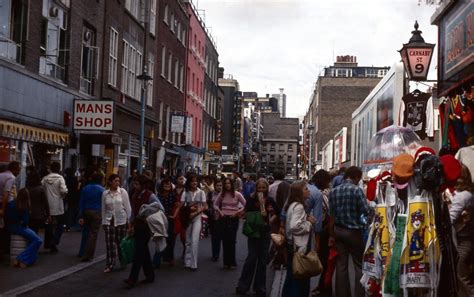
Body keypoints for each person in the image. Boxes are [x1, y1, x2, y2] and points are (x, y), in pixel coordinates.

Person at [329, 166, 369, 297]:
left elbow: (331, 215)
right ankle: (359, 293)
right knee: (358, 265)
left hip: (338, 230)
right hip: (354, 232)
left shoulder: (333, 191)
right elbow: (365, 211)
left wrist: (332, 234)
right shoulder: (357, 190)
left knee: (341, 265)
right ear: (356, 177)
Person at [236, 178, 278, 296]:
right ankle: (243, 286)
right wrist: (258, 213)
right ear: (256, 188)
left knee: (263, 259)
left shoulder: (270, 200)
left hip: (265, 231)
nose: (261, 190)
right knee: (251, 258)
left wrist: (269, 218)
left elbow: (277, 213)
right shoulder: (251, 199)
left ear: (267, 188)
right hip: (254, 231)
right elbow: (247, 212)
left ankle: (260, 287)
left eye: (263, 188)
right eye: (259, 188)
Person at [124, 175, 163, 288]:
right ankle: (150, 275)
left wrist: (148, 215)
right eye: (134, 184)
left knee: (139, 253)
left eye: (137, 184)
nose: (134, 186)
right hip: (137, 226)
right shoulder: (134, 195)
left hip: (146, 227)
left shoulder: (150, 195)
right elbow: (133, 212)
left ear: (142, 185)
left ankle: (132, 278)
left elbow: (160, 208)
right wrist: (130, 225)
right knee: (144, 252)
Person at [282, 181, 316, 297]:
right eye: (306, 189)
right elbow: (294, 226)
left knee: (292, 276)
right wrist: (309, 224)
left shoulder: (292, 205)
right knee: (299, 278)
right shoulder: (299, 207)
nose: (309, 191)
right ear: (299, 192)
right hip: (299, 247)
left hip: (292, 245)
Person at [449, 164, 474, 297]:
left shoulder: (463, 196)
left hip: (463, 241)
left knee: (461, 276)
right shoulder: (468, 193)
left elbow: (451, 218)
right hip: (466, 239)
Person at [5, 187, 43, 267]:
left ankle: (26, 260)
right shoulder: (24, 206)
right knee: (37, 240)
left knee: (32, 239)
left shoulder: (11, 203)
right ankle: (22, 258)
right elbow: (25, 222)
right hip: (20, 227)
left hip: (10, 226)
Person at [214, 177, 246, 269]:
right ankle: (226, 262)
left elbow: (246, 204)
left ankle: (232, 263)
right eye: (226, 183)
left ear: (232, 184)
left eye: (229, 183)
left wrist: (238, 212)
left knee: (232, 240)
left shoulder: (237, 194)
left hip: (233, 219)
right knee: (225, 240)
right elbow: (215, 204)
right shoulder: (222, 194)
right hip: (224, 218)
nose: (227, 185)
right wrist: (220, 212)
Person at [102, 174, 131, 273]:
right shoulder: (105, 193)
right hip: (109, 221)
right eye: (115, 181)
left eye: (118, 181)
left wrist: (129, 222)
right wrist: (103, 222)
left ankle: (123, 261)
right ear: (110, 182)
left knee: (121, 243)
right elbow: (103, 209)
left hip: (121, 221)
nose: (117, 183)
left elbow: (128, 208)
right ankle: (110, 264)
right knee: (110, 244)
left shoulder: (123, 192)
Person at [179, 173, 207, 271]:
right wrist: (188, 209)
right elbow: (181, 206)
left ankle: (193, 264)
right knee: (188, 241)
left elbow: (205, 206)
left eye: (195, 181)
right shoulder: (185, 192)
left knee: (195, 240)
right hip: (187, 218)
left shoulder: (201, 192)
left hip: (197, 218)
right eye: (192, 181)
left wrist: (195, 213)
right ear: (189, 183)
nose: (194, 183)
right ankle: (187, 261)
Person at [311, 169, 332, 296]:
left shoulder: (311, 192)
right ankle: (324, 288)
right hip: (322, 231)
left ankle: (322, 286)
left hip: (316, 229)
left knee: (322, 260)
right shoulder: (321, 195)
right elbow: (326, 213)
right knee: (324, 260)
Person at [42, 162, 68, 253]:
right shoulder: (60, 178)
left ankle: (48, 243)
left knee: (48, 225)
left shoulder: (45, 179)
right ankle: (54, 242)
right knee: (60, 225)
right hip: (58, 206)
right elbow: (64, 190)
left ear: (51, 169)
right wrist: (62, 196)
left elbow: (42, 190)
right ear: (59, 168)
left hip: (47, 206)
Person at [78, 171, 104, 261]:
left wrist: (80, 215)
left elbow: (81, 202)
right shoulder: (102, 190)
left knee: (85, 231)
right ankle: (89, 254)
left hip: (86, 211)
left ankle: (81, 251)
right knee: (93, 234)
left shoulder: (85, 188)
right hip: (96, 212)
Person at [154, 177, 179, 267]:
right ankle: (157, 260)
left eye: (168, 184)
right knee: (160, 238)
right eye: (165, 184)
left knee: (170, 240)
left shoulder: (173, 195)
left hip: (170, 219)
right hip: (160, 219)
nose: (167, 186)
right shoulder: (158, 196)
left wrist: (174, 215)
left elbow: (177, 206)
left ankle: (170, 258)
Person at [0, 161, 21, 255]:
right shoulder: (11, 177)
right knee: (6, 227)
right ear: (15, 169)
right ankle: (4, 250)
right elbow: (6, 193)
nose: (19, 172)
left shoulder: (1, 175)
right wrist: (3, 209)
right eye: (19, 169)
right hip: (6, 204)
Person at [26, 169, 50, 238]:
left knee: (30, 230)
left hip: (28, 213)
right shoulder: (40, 189)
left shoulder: (26, 189)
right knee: (35, 231)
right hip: (38, 214)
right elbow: (45, 202)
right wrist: (48, 214)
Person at [208, 178, 223, 261]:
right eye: (218, 185)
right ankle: (214, 253)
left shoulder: (224, 195)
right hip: (212, 217)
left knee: (219, 236)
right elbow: (207, 204)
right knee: (214, 236)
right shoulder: (210, 194)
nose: (219, 187)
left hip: (221, 218)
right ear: (214, 186)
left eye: (221, 185)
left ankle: (216, 254)